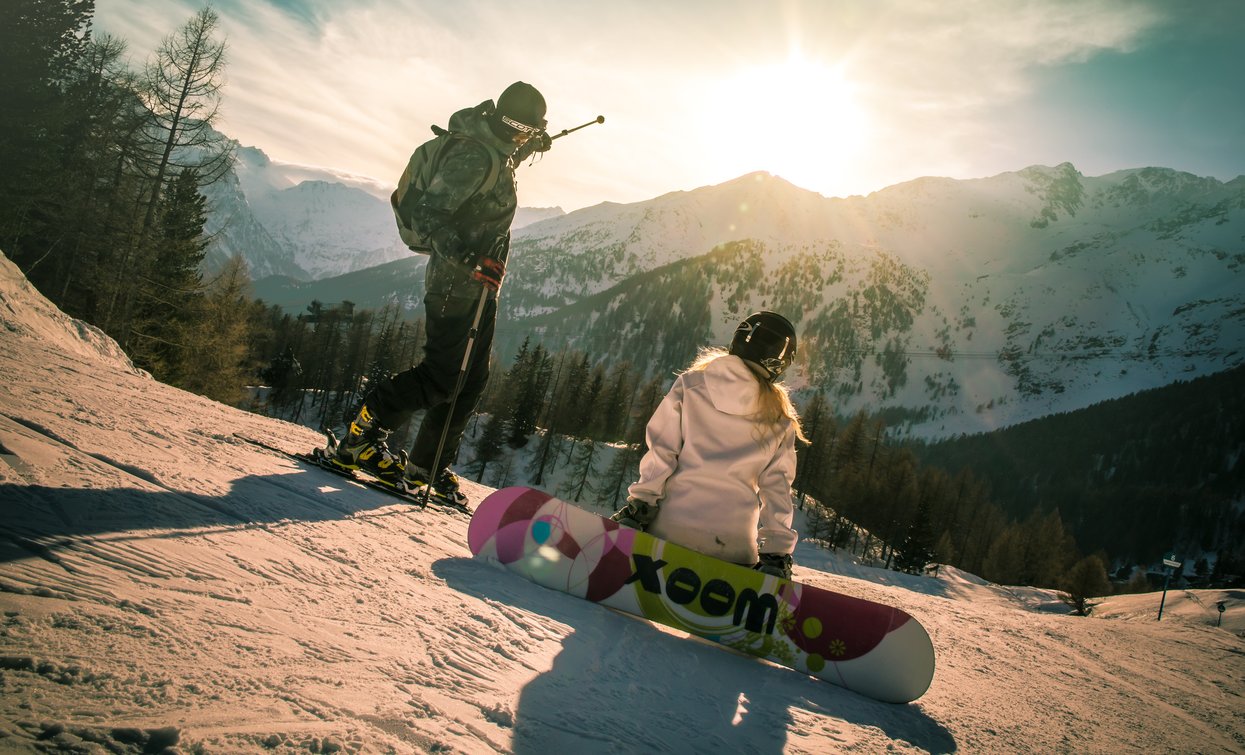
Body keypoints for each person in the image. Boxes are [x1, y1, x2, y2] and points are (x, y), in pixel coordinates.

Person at [331, 82, 553, 504]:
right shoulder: (472, 155)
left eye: (528, 130)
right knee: (443, 378)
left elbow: (500, 160)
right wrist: (470, 259)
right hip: (457, 282)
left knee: (470, 381)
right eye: (515, 128)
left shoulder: (497, 146)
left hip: (480, 286)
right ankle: (360, 434)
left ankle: (426, 466)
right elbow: (428, 215)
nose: (520, 136)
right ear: (499, 120)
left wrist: (528, 146)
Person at [611, 311, 807, 579]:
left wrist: (641, 504)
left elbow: (662, 451)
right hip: (733, 551)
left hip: (669, 533)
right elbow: (777, 490)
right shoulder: (779, 419)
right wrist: (777, 552)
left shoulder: (690, 386)